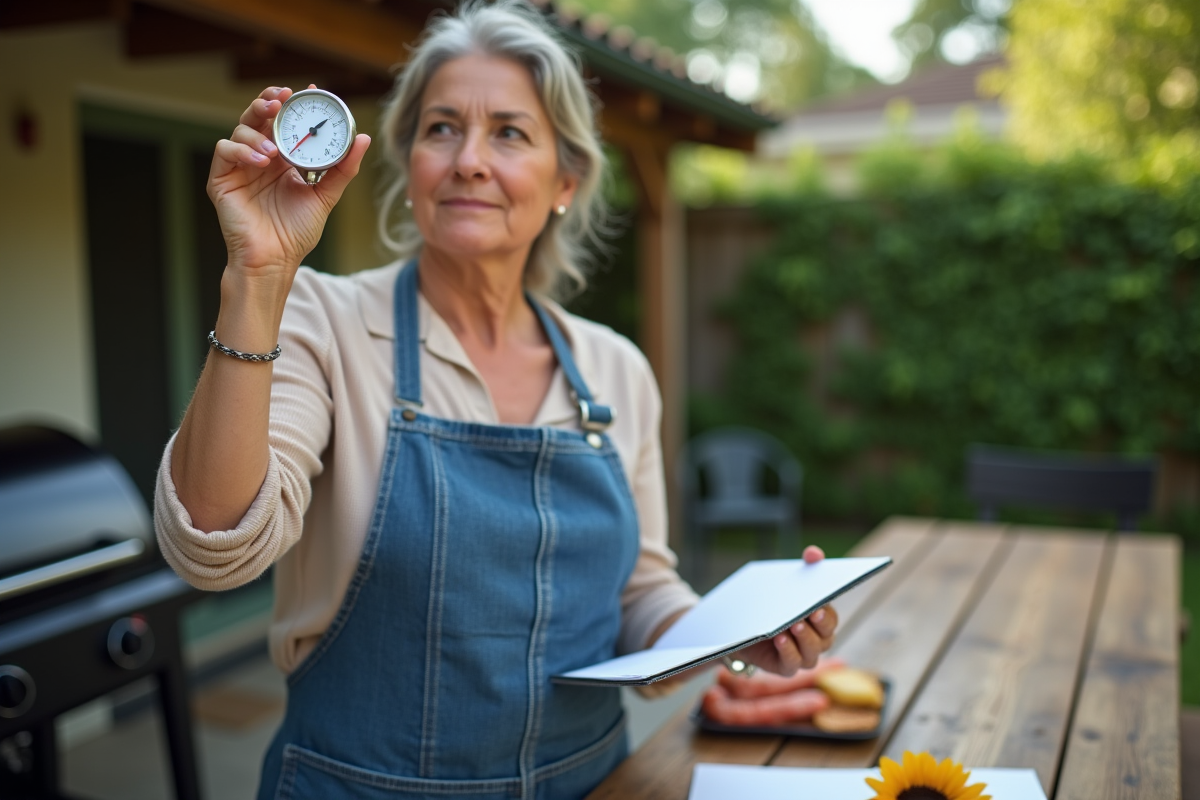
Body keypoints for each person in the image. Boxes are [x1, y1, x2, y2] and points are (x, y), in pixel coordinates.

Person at [154, 2, 839, 798]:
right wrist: (258, 278)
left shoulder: (614, 369)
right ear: (409, 164)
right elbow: (211, 544)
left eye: (509, 132)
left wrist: (738, 634)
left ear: (565, 182)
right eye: (442, 128)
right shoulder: (322, 319)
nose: (469, 160)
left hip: (590, 783)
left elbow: (640, 592)